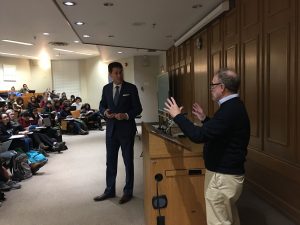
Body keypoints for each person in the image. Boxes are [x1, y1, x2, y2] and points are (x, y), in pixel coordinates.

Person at [164, 68, 250, 225]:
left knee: (219, 221)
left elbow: (198, 136)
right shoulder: (234, 106)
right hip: (227, 175)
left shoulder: (229, 110)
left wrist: (177, 116)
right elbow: (221, 132)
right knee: (227, 216)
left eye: (212, 85)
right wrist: (204, 119)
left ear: (222, 87)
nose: (211, 88)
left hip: (222, 177)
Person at [94, 62, 142, 204]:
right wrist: (105, 112)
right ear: (110, 74)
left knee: (128, 162)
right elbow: (102, 105)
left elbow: (138, 108)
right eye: (116, 73)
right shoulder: (106, 89)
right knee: (111, 162)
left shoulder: (131, 88)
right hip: (111, 131)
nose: (119, 75)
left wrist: (126, 115)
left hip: (126, 131)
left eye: (121, 72)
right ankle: (110, 190)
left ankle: (128, 191)